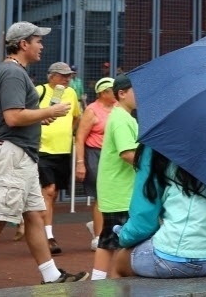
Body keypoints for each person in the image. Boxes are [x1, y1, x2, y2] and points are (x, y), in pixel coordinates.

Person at [0, 22, 88, 283]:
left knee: (34, 214)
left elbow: (17, 115)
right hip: (12, 154)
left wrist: (37, 118)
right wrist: (50, 111)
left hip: (20, 155)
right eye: (37, 40)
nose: (41, 45)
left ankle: (51, 275)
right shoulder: (13, 73)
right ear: (23, 44)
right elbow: (12, 117)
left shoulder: (13, 71)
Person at [111, 145, 206, 278]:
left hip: (175, 255)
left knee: (120, 261)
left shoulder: (158, 144)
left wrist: (123, 237)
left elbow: (142, 225)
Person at [91, 73, 138, 280]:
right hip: (120, 192)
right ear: (122, 93)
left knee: (108, 240)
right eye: (136, 91)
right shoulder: (121, 119)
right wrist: (153, 165)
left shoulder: (121, 116)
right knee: (121, 242)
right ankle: (110, 285)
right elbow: (127, 153)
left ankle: (98, 283)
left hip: (117, 191)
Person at [36, 61, 82, 255]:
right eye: (63, 75)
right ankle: (48, 237)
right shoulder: (39, 91)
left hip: (62, 151)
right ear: (51, 76)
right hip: (42, 150)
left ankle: (35, 225)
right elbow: (25, 114)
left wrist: (66, 133)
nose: (67, 78)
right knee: (49, 191)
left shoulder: (71, 93)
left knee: (52, 196)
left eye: (69, 75)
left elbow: (76, 117)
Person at [75, 77, 116, 250]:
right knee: (102, 196)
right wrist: (80, 163)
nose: (117, 93)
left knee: (113, 196)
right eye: (114, 90)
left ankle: (102, 228)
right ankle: (99, 237)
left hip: (113, 155)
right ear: (103, 93)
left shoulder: (118, 109)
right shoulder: (92, 111)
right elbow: (80, 137)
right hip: (95, 155)